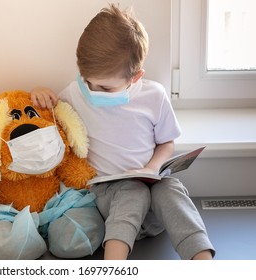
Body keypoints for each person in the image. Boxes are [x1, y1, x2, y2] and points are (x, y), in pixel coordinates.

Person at [30, 4, 215, 260]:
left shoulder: (154, 96)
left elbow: (167, 143)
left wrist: (152, 167)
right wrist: (39, 92)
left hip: (155, 210)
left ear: (135, 77)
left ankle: (202, 260)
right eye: (87, 80)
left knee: (172, 190)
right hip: (110, 201)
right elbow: (49, 121)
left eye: (105, 88)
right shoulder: (75, 93)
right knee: (132, 191)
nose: (93, 91)